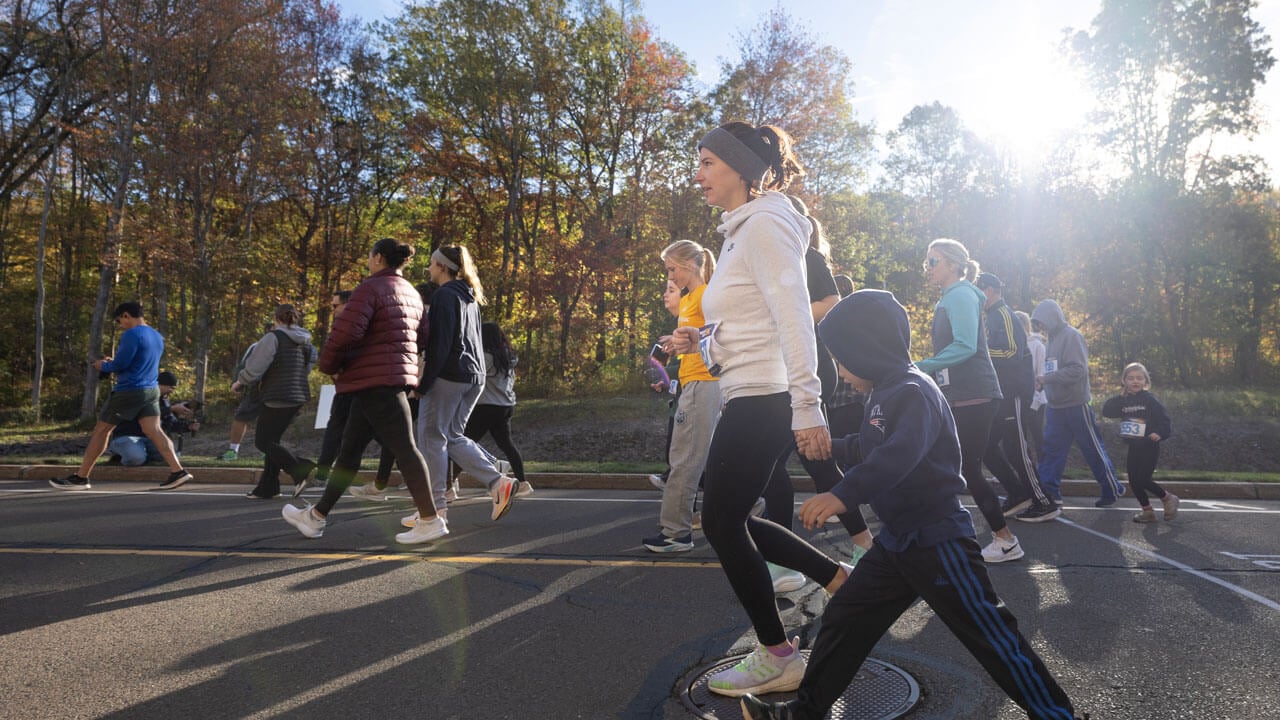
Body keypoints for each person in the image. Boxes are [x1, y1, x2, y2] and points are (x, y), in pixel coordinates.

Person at [738, 288, 1080, 720]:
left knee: (993, 638)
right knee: (845, 617)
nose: (840, 372)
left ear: (868, 349)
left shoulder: (914, 390)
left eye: (842, 359)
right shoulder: (884, 391)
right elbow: (871, 444)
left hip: (938, 544)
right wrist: (830, 447)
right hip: (898, 544)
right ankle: (802, 715)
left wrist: (840, 494)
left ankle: (1057, 716)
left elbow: (897, 456)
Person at [668, 121, 853, 697]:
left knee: (722, 522)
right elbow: (750, 324)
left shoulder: (768, 223)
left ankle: (778, 656)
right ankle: (835, 579)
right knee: (731, 519)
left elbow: (795, 316)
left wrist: (807, 406)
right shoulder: (741, 231)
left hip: (770, 395)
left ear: (740, 168)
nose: (696, 174)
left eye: (705, 163)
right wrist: (702, 343)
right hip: (750, 389)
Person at [281, 237, 446, 545]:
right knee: (349, 451)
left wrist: (328, 365)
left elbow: (346, 331)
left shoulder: (370, 288)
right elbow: (423, 337)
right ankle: (315, 518)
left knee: (406, 449)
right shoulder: (410, 291)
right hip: (386, 378)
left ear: (379, 258)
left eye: (370, 256)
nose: (368, 261)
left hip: (375, 380)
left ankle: (430, 519)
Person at [758, 196, 872, 591]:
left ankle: (858, 547)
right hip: (773, 367)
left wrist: (788, 313)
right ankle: (790, 561)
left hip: (807, 367)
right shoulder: (767, 253)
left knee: (812, 459)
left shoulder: (807, 255)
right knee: (795, 464)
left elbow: (831, 303)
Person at [916, 240, 1023, 563]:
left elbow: (964, 346)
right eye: (927, 262)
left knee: (966, 469)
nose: (928, 267)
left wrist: (920, 367)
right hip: (964, 393)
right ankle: (947, 535)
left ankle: (1005, 540)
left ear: (951, 263)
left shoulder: (961, 294)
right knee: (951, 464)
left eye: (932, 260)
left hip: (974, 393)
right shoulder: (954, 295)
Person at [414, 244, 520, 525]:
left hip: (449, 375)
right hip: (473, 377)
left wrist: (424, 383)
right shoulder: (469, 295)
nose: (428, 268)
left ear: (442, 267)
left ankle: (435, 511)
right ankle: (497, 481)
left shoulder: (444, 295)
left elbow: (441, 343)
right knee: (451, 436)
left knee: (431, 438)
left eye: (431, 264)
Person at [50, 302, 194, 490]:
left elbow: (120, 365)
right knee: (154, 430)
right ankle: (178, 471)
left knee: (102, 430)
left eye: (119, 321)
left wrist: (102, 365)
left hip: (129, 390)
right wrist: (114, 363)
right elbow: (137, 362)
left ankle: (81, 477)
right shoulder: (156, 336)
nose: (120, 325)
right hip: (151, 390)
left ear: (126, 315)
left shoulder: (131, 335)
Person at [644, 240, 721, 553]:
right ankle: (753, 512)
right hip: (692, 382)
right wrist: (675, 345)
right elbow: (697, 341)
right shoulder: (689, 300)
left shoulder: (707, 295)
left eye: (672, 268)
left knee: (685, 460)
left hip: (705, 383)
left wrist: (692, 339)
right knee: (711, 460)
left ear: (690, 264)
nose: (670, 275)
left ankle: (676, 534)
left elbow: (721, 333)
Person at [974, 273, 1059, 523]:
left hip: (1014, 392)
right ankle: (1018, 493)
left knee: (1016, 449)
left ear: (989, 290)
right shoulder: (991, 317)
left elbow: (1011, 351)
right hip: (999, 393)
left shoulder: (1003, 314)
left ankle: (1045, 502)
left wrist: (978, 351)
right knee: (988, 447)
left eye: (978, 292)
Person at [1031, 299, 1125, 507]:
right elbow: (1052, 370)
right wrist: (1043, 382)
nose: (1042, 327)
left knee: (1092, 448)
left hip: (1076, 404)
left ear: (1053, 317)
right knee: (1052, 450)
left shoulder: (1072, 336)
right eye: (1039, 324)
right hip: (1055, 406)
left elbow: (1078, 370)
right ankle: (1049, 492)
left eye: (1043, 322)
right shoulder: (1050, 340)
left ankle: (1112, 487)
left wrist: (1048, 379)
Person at [458, 321, 532, 495]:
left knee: (462, 444)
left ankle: (448, 486)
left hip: (486, 406)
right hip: (505, 406)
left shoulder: (484, 357)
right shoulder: (508, 356)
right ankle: (522, 483)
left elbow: (470, 375)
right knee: (507, 445)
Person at [1101, 362, 1178, 523]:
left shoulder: (1150, 400)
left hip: (1149, 444)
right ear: (1124, 381)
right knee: (1133, 481)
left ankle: (1168, 498)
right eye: (1130, 378)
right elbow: (1107, 411)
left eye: (1139, 378)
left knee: (1143, 479)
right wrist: (1119, 397)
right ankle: (1147, 511)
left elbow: (1164, 420)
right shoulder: (1123, 401)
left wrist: (1159, 433)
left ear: (1145, 381)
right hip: (1134, 446)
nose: (1135, 381)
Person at [303, 290, 353, 498]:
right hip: (348, 387)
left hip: (352, 386)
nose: (333, 310)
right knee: (339, 432)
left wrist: (335, 368)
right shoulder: (350, 325)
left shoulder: (350, 326)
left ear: (347, 305)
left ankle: (325, 477)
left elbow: (334, 354)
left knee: (336, 432)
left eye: (335, 306)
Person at [106, 371, 200, 465]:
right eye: (171, 387)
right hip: (127, 435)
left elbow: (169, 423)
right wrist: (172, 408)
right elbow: (144, 412)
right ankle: (120, 454)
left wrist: (189, 427)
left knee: (172, 456)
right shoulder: (141, 393)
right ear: (159, 384)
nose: (172, 390)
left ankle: (136, 454)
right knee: (135, 458)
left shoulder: (164, 400)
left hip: (150, 438)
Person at [648, 279, 685, 489]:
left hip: (694, 402)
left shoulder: (691, 323)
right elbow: (680, 372)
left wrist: (664, 373)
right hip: (679, 403)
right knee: (679, 459)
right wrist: (665, 381)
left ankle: (738, 498)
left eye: (671, 290)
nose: (665, 295)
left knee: (686, 463)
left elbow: (695, 367)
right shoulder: (680, 326)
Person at [218, 322, 271, 461]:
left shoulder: (285, 346)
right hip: (254, 388)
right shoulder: (256, 346)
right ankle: (233, 450)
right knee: (241, 417)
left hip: (274, 389)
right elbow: (243, 366)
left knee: (269, 420)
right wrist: (238, 383)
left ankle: (268, 451)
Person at [1016, 309, 1047, 462]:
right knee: (1019, 435)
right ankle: (1026, 466)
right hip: (1017, 398)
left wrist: (1033, 394)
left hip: (1036, 399)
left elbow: (1041, 374)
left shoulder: (1037, 346)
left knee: (1037, 434)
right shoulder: (1011, 346)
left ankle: (1044, 467)